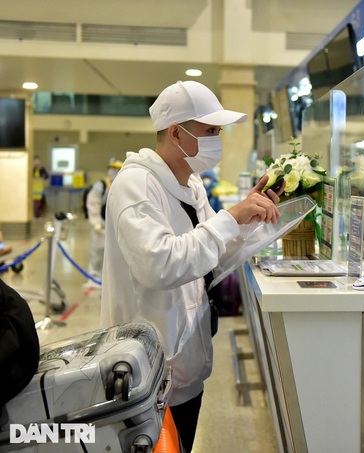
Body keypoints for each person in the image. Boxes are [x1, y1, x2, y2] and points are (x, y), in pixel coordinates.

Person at [100, 80, 284, 452]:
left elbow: (205, 255)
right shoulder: (135, 185)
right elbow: (160, 264)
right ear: (175, 132)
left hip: (184, 371)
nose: (218, 139)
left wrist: (248, 219)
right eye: (210, 131)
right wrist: (229, 219)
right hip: (146, 376)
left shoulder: (192, 185)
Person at [84, 158, 122, 286]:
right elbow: (93, 202)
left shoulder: (122, 184)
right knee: (98, 252)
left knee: (116, 254)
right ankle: (94, 277)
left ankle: (111, 279)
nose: (115, 172)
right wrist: (96, 222)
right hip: (101, 225)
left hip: (116, 226)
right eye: (113, 169)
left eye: (118, 169)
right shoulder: (102, 185)